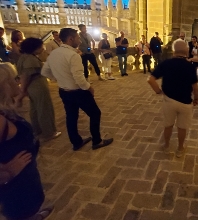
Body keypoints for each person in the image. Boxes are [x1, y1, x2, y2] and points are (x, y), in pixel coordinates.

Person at [41, 28, 113, 151]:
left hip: (64, 91)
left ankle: (76, 142)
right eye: (77, 38)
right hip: (78, 92)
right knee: (95, 113)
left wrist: (59, 79)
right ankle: (97, 141)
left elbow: (45, 72)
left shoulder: (54, 53)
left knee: (71, 116)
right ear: (70, 39)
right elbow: (79, 78)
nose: (79, 40)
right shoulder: (73, 56)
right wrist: (89, 87)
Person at [0, 63, 54, 220]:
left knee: (31, 210)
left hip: (27, 178)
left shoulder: (5, 110)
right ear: (5, 84)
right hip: (16, 189)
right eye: (14, 78)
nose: (18, 82)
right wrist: (8, 171)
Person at [148, 39, 198, 158]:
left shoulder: (166, 63)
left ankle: (166, 146)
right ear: (186, 50)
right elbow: (195, 87)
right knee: (182, 127)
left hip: (169, 100)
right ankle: (180, 149)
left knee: (168, 125)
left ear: (173, 51)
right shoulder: (190, 67)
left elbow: (150, 79)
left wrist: (159, 91)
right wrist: (196, 99)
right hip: (185, 102)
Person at [16, 38, 61, 141]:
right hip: (38, 86)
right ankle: (48, 132)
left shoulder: (25, 57)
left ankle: (38, 130)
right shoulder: (30, 60)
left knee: (35, 109)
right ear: (34, 48)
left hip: (33, 87)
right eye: (40, 47)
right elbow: (26, 76)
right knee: (44, 109)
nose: (42, 48)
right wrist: (22, 91)